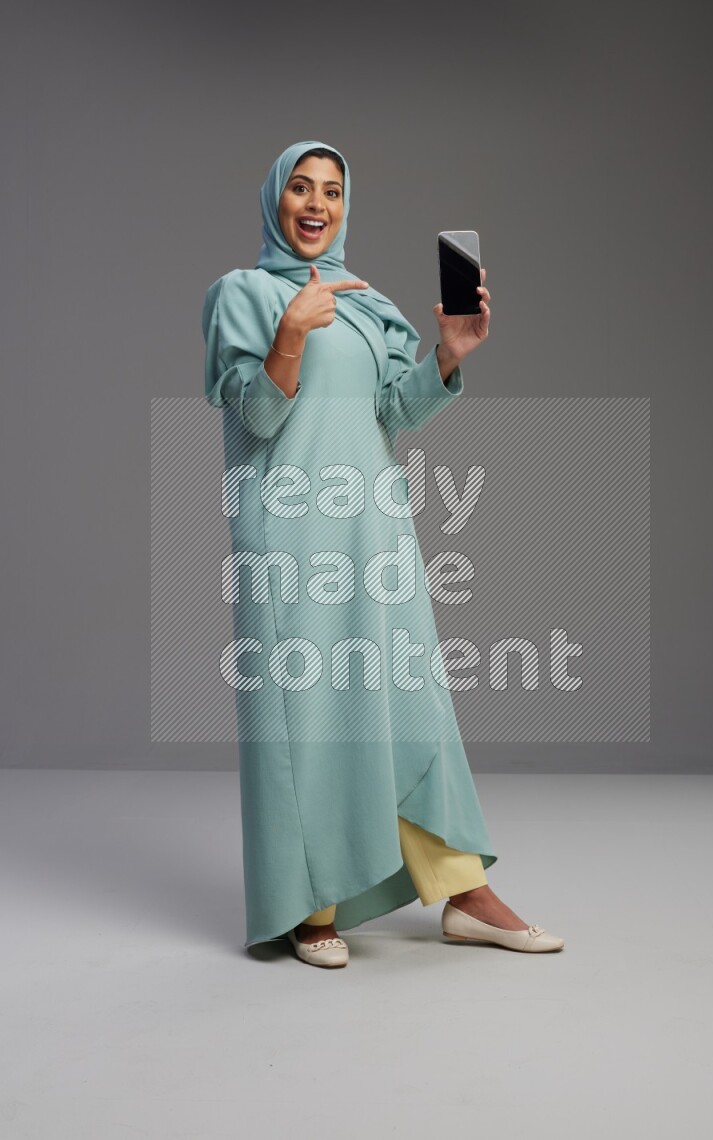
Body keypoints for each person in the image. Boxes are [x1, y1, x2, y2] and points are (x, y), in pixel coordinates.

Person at [202, 139, 565, 968]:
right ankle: (310, 903)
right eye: (300, 187)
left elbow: (394, 412)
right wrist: (289, 336)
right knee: (314, 717)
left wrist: (448, 354)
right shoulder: (243, 295)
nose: (316, 203)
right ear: (275, 200)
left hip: (373, 528)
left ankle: (464, 892)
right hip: (289, 537)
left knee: (411, 704)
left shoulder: (367, 304)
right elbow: (254, 420)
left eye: (331, 190)